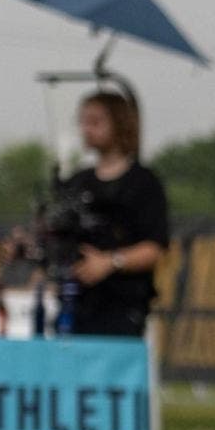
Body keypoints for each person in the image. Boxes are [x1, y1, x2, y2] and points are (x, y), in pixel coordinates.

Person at [39, 90, 169, 338]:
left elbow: (155, 248)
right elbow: (56, 235)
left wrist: (110, 262)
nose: (87, 129)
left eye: (96, 122)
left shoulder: (142, 183)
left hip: (121, 307)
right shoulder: (78, 181)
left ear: (119, 124)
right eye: (84, 122)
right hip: (74, 304)